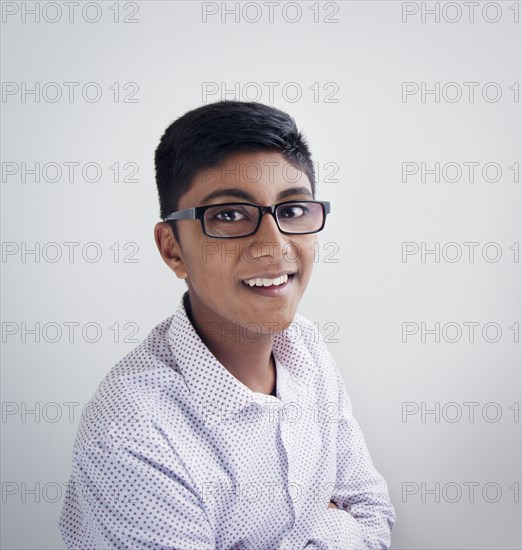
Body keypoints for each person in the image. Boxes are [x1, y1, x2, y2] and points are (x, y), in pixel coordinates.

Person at [58, 100, 396, 548]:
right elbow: (355, 528)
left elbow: (374, 515)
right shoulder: (133, 432)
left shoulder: (306, 346)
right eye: (229, 215)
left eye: (293, 211)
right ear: (173, 249)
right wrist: (334, 526)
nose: (274, 246)